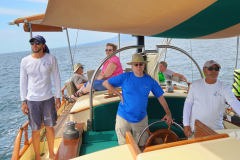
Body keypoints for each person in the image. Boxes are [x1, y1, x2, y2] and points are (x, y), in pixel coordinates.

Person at [102, 53, 173, 150]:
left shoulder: (150, 80)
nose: (138, 66)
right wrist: (118, 94)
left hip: (141, 118)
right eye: (136, 64)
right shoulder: (125, 77)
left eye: (141, 64)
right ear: (132, 66)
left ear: (144, 65)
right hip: (123, 117)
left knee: (142, 146)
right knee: (124, 147)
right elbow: (105, 83)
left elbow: (160, 97)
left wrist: (168, 113)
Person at [20, 35, 61, 160]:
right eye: (32, 43)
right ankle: (38, 157)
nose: (34, 45)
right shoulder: (25, 61)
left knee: (49, 127)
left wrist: (58, 96)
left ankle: (52, 154)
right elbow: (23, 82)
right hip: (32, 100)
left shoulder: (51, 58)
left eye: (37, 43)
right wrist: (23, 100)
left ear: (43, 45)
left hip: (48, 98)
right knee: (35, 130)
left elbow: (56, 77)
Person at [183, 60, 240, 138]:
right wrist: (186, 124)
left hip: (216, 130)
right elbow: (188, 105)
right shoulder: (195, 85)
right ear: (204, 71)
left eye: (216, 69)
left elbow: (235, 103)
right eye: (210, 68)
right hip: (196, 129)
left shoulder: (224, 88)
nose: (214, 71)